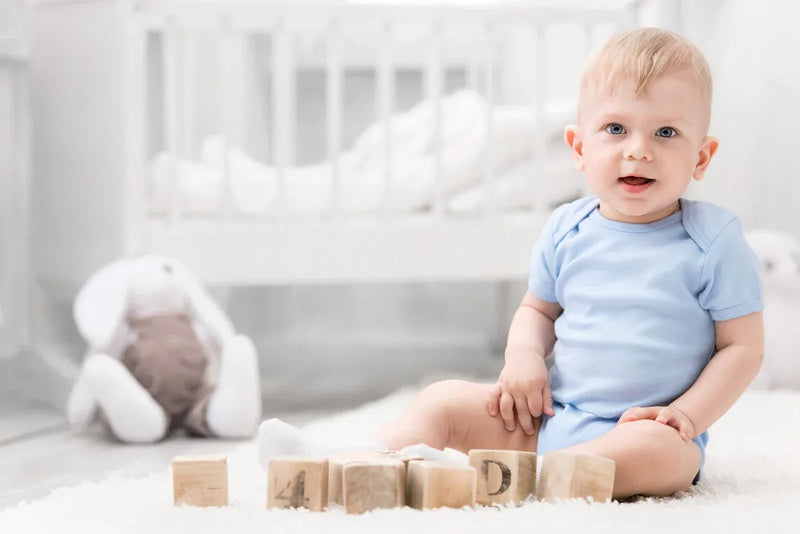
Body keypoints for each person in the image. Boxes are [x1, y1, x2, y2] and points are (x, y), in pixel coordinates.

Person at [257, 27, 764, 499]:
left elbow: (742, 348)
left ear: (702, 156)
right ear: (579, 147)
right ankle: (350, 462)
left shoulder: (712, 241)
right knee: (443, 400)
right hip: (549, 420)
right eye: (616, 128)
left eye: (666, 133)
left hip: (641, 437)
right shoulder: (568, 229)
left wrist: (685, 417)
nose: (639, 151)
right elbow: (539, 311)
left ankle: (519, 482)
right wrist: (523, 357)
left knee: (662, 454)